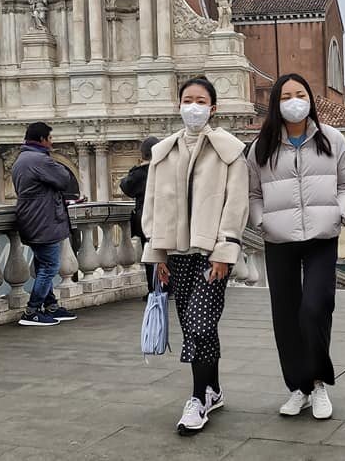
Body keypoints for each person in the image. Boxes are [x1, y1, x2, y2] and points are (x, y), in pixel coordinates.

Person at [247, 73, 345, 421]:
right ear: (276, 104)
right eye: (286, 96)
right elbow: (252, 192)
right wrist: (261, 221)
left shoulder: (332, 139)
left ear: (309, 98)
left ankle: (318, 382)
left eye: (300, 94)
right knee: (285, 316)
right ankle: (298, 387)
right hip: (278, 238)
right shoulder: (260, 147)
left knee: (315, 308)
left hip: (321, 238)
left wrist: (339, 214)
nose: (294, 101)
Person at [141, 78, 249, 436]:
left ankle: (197, 399)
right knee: (194, 327)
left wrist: (225, 251)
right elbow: (152, 205)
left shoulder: (229, 150)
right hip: (176, 254)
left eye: (201, 100)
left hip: (210, 254)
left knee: (200, 324)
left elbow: (236, 205)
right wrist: (157, 254)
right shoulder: (163, 152)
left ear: (213, 108)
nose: (194, 106)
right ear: (179, 105)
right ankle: (214, 390)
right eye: (188, 100)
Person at [12, 122, 77, 327]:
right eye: (50, 138)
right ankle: (32, 311)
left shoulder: (22, 159)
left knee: (42, 263)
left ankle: (50, 305)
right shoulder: (39, 160)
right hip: (42, 220)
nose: (52, 141)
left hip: (31, 218)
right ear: (41, 139)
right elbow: (64, 178)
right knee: (50, 265)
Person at [120, 136, 160, 294]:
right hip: (167, 218)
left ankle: (153, 289)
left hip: (147, 219)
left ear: (143, 155)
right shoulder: (166, 168)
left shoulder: (140, 173)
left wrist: (140, 166)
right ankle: (169, 287)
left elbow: (126, 187)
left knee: (150, 255)